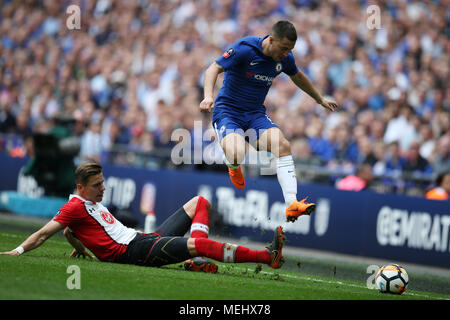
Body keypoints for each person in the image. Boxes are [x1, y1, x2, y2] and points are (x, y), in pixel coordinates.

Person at [0, 161, 286, 272]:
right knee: (197, 244)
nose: (104, 187)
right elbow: (44, 233)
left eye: (103, 182)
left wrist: (80, 248)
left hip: (141, 239)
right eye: (97, 185)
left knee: (199, 202)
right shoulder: (74, 207)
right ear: (80, 188)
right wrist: (18, 250)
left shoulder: (87, 207)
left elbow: (69, 232)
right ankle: (266, 257)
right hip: (132, 251)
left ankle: (194, 260)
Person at [199, 20, 338, 223]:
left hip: (255, 115)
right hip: (228, 112)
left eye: (290, 49)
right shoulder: (245, 48)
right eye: (283, 48)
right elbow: (214, 68)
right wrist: (208, 96)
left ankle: (292, 204)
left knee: (283, 145)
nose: (286, 54)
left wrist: (319, 99)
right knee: (237, 152)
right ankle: (233, 165)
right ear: (271, 39)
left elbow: (297, 76)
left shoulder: (285, 57)